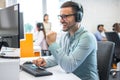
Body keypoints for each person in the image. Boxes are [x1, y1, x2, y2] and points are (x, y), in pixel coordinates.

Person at [33, 1, 99, 80]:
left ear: (78, 17)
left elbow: (69, 66)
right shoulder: (65, 36)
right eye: (61, 16)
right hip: (70, 77)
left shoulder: (87, 38)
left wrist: (53, 44)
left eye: (65, 16)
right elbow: (58, 58)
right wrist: (45, 62)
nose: (61, 20)